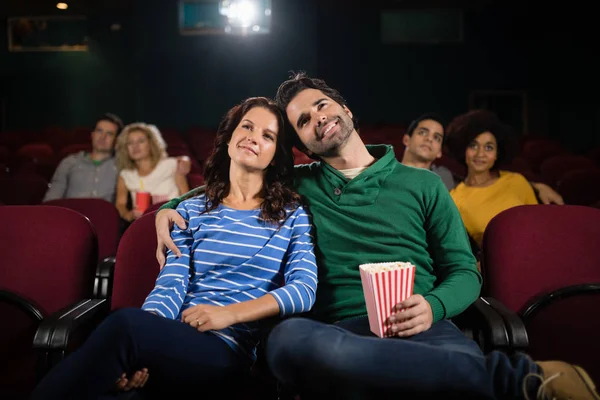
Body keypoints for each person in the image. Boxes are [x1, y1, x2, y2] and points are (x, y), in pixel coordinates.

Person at [155, 75, 598, 399]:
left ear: (345, 110)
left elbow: (464, 272)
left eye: (323, 105)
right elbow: (226, 186)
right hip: (331, 336)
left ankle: (478, 378)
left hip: (421, 327)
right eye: (304, 121)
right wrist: (167, 211)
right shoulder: (299, 186)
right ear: (304, 145)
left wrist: (433, 306)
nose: (318, 118)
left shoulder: (422, 185)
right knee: (286, 342)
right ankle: (511, 382)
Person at [30, 96, 318, 400]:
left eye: (267, 135)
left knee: (125, 325)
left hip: (227, 351)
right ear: (231, 137)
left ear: (274, 155)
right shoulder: (191, 210)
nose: (253, 137)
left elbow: (304, 288)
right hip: (173, 340)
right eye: (246, 126)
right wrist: (143, 347)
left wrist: (229, 314)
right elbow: (172, 283)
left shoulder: (291, 215)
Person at [401, 112, 564, 204]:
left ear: (439, 152)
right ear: (406, 139)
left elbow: (484, 184)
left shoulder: (445, 178)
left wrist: (537, 186)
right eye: (423, 132)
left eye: (437, 137)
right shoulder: (381, 171)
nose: (429, 139)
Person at [446, 110, 539, 247]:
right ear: (463, 150)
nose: (480, 154)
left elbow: (538, 226)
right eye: (473, 145)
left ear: (497, 154)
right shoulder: (453, 199)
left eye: (489, 147)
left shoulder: (516, 181)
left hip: (530, 254)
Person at [115, 123, 190, 222]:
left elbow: (187, 199)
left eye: (141, 141)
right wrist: (129, 215)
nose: (135, 146)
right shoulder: (125, 175)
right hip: (144, 224)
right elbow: (120, 205)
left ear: (151, 143)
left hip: (174, 223)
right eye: (130, 143)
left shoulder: (172, 165)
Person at [43, 113, 123, 202]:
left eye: (110, 134)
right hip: (72, 215)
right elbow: (51, 200)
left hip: (105, 215)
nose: (103, 137)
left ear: (117, 140)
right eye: (99, 131)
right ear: (92, 135)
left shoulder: (121, 165)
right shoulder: (69, 163)